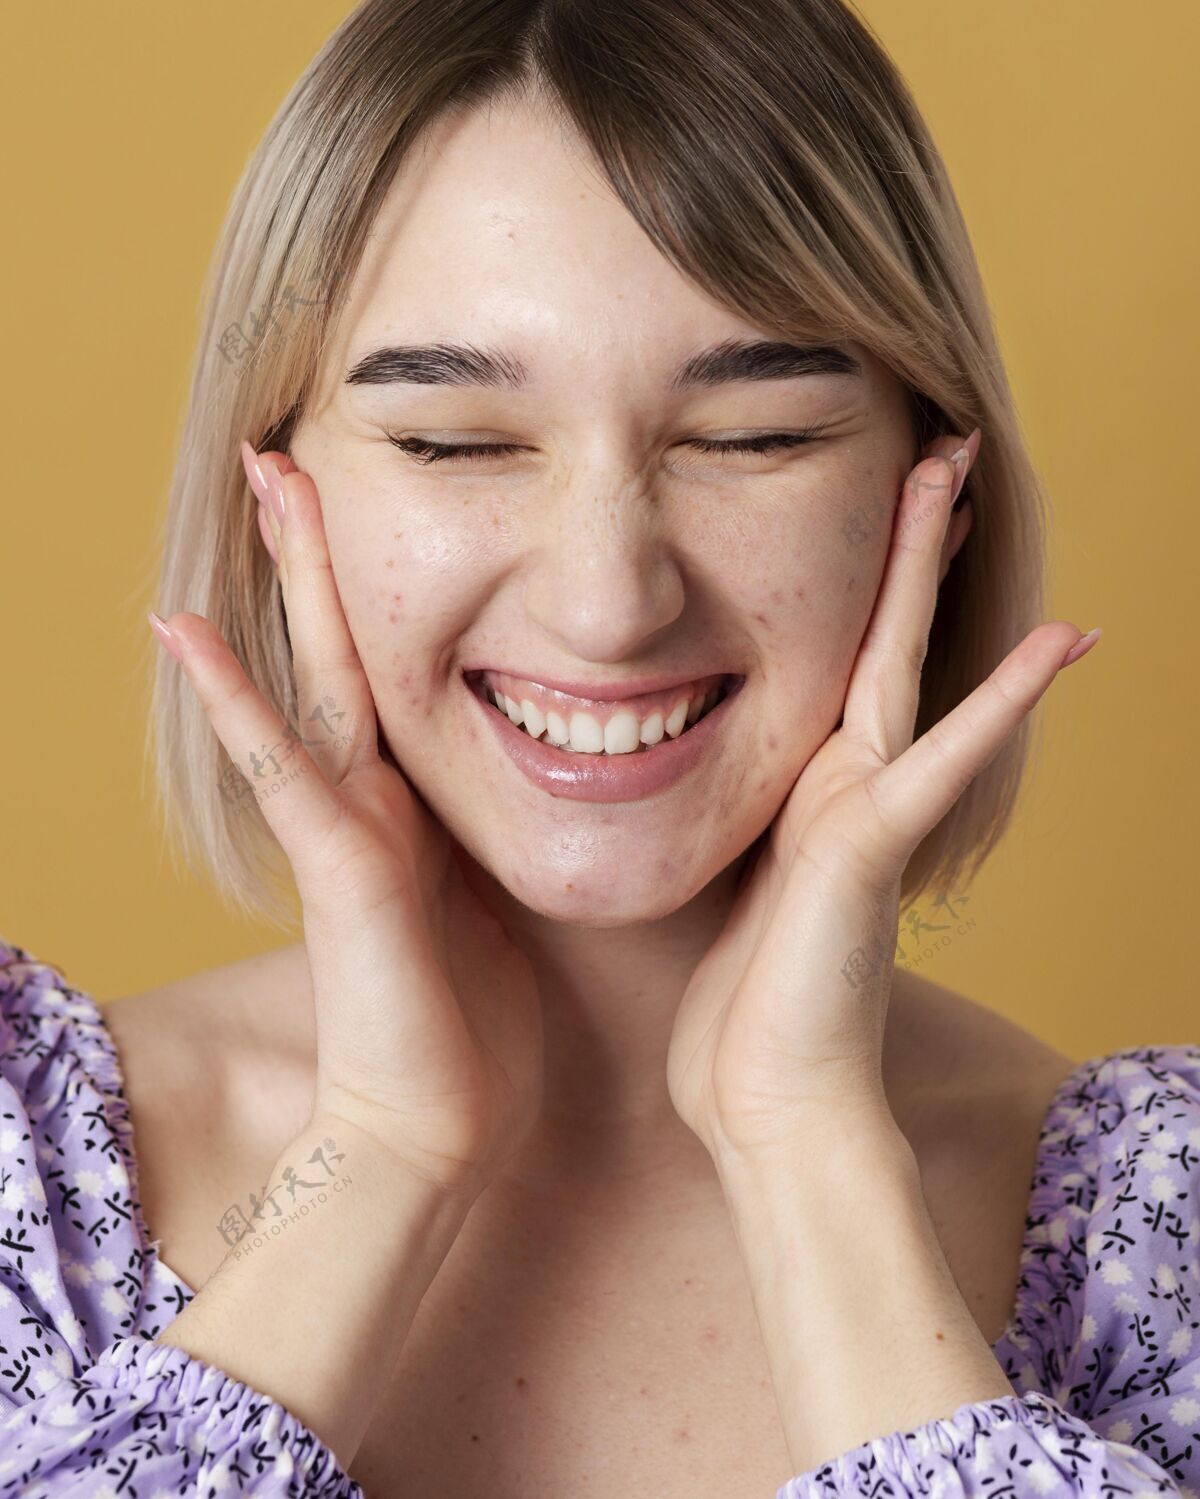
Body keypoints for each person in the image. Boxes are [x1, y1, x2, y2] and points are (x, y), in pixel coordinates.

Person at [2, 0, 1195, 1494]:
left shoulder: (1162, 1224)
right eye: (455, 443)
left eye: (755, 437)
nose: (607, 601)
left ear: (934, 501)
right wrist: (376, 1154)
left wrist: (812, 1157)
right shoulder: (22, 1167)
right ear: (275, 493)